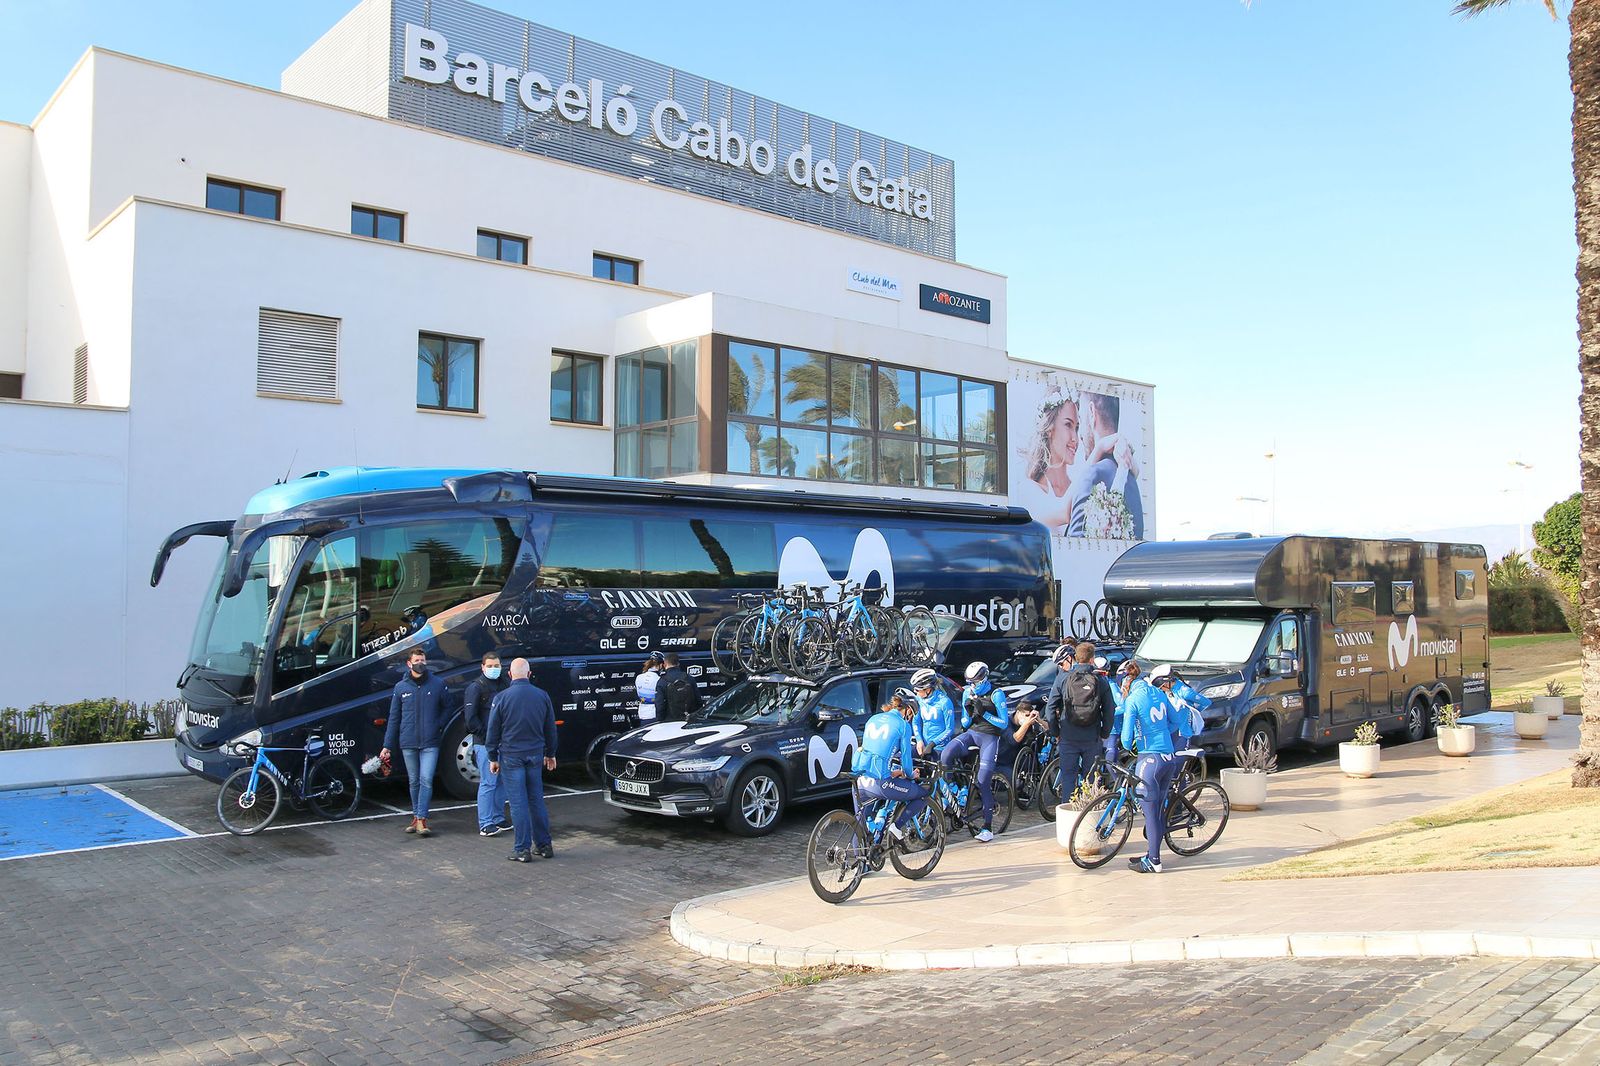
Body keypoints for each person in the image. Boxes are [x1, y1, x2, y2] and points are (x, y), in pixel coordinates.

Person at [1119, 662, 1190, 874]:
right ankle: (1152, 853)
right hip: (1169, 756)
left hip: (1150, 757)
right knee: (1158, 810)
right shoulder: (1159, 694)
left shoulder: (1132, 699)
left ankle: (1155, 861)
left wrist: (1137, 743)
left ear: (1127, 684)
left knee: (1149, 813)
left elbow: (1125, 738)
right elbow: (1177, 720)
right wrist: (1163, 733)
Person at [486, 658, 559, 862]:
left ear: (509, 675)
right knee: (536, 800)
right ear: (529, 674)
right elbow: (550, 729)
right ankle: (544, 845)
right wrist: (551, 754)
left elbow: (493, 731)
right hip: (534, 754)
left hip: (511, 755)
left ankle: (522, 849)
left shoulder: (501, 698)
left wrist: (492, 756)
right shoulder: (542, 696)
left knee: (518, 803)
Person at [939, 661, 1010, 842]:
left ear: (984, 678)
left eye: (976, 682)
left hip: (990, 738)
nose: (973, 686)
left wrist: (984, 714)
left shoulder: (996, 694)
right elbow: (964, 723)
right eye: (970, 682)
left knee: (983, 780)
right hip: (972, 734)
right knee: (946, 754)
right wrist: (970, 714)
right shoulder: (968, 693)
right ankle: (955, 790)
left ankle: (987, 827)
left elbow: (1004, 723)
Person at [381, 647, 447, 837]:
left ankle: (421, 818)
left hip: (430, 741)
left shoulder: (437, 684)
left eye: (423, 660)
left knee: (426, 779)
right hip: (408, 741)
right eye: (417, 660)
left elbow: (447, 706)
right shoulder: (400, 688)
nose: (421, 663)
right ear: (409, 664)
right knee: (414, 781)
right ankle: (417, 816)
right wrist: (387, 745)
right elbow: (394, 718)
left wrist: (438, 725)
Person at [1066, 393, 1145, 540]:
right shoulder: (1132, 482)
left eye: (1080, 421)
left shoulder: (1093, 475)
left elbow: (1075, 545)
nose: (1080, 435)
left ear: (1091, 412)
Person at [852, 689, 929, 837]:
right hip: (880, 784)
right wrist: (911, 775)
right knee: (923, 795)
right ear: (908, 710)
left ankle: (860, 857)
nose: (911, 718)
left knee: (860, 826)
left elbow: (875, 751)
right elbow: (906, 763)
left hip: (860, 780)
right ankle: (897, 827)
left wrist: (895, 772)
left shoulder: (873, 719)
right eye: (912, 715)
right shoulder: (903, 725)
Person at [1046, 642, 1116, 802]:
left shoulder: (1063, 679)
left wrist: (1056, 733)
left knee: (1068, 778)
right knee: (1091, 780)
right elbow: (1109, 710)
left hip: (1068, 737)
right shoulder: (1100, 680)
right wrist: (1104, 733)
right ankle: (1088, 818)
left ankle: (1068, 819)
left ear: (1075, 658)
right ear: (1092, 659)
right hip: (1092, 737)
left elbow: (1050, 709)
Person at [1015, 388, 1081, 534]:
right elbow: (1065, 513)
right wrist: (1099, 450)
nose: (1075, 438)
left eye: (1077, 428)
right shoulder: (1029, 490)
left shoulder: (1076, 484)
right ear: (1050, 428)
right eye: (1068, 425)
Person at [463, 652, 510, 837]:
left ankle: (498, 818)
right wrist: (488, 737)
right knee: (488, 783)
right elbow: (470, 720)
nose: (493, 669)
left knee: (501, 782)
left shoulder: (504, 684)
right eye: (489, 666)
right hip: (484, 744)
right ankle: (485, 823)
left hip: (503, 742)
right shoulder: (476, 688)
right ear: (482, 667)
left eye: (496, 665)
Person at [909, 667, 957, 757]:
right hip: (924, 744)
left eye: (918, 690)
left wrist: (933, 744)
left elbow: (950, 729)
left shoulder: (944, 702)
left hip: (940, 747)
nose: (915, 693)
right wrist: (919, 740)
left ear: (927, 690)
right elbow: (916, 721)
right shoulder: (919, 700)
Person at [654, 652, 702, 722]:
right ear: (678, 664)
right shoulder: (689, 678)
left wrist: (660, 720)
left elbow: (660, 705)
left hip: (670, 721)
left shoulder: (662, 681)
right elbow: (698, 700)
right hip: (689, 720)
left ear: (665, 664)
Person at [634, 652, 664, 723]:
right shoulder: (659, 679)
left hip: (642, 713)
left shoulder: (639, 677)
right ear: (660, 665)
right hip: (655, 715)